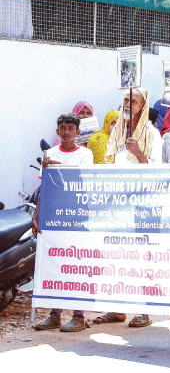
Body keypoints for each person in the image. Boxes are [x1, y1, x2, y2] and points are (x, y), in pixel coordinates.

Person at [100, 88, 162, 328]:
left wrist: (138, 152)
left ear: (142, 105)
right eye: (126, 99)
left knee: (143, 258)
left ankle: (144, 310)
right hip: (118, 205)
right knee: (116, 255)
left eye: (133, 100)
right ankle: (117, 308)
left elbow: (160, 171)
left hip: (144, 205)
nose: (128, 103)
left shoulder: (152, 134)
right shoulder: (116, 132)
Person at [32, 113, 93, 333]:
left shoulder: (86, 154)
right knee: (55, 263)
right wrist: (36, 215)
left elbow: (82, 184)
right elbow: (44, 189)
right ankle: (55, 315)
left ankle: (78, 316)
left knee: (76, 265)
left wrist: (59, 170)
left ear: (77, 132)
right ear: (57, 131)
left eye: (70, 128)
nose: (66, 132)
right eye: (62, 128)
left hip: (76, 215)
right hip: (53, 215)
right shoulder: (49, 153)